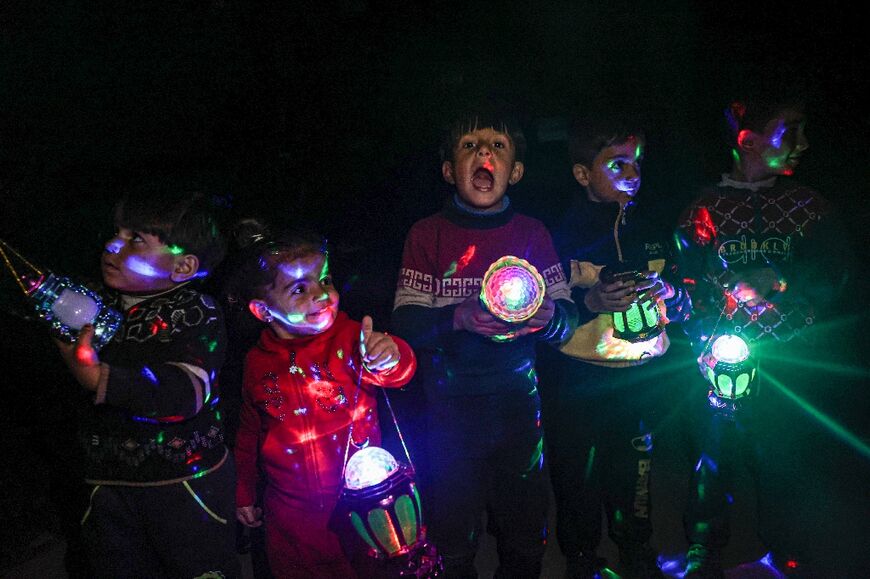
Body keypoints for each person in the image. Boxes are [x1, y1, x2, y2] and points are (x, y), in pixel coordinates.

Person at [391, 108, 578, 578]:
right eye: (470, 146)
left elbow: (567, 321)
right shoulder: (427, 234)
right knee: (452, 524)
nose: (484, 154)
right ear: (450, 170)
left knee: (524, 521)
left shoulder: (532, 233)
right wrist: (458, 317)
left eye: (497, 146)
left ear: (515, 172)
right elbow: (406, 322)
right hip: (449, 410)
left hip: (519, 407)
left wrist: (549, 318)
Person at [675, 86, 852, 577]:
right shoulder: (702, 209)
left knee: (785, 461)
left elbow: (837, 272)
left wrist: (779, 279)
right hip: (721, 362)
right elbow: (687, 281)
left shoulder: (810, 207)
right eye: (790, 131)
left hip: (792, 361)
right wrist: (702, 340)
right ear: (750, 140)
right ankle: (705, 550)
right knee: (711, 459)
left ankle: (789, 549)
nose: (803, 142)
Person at [54, 186, 240, 578]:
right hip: (106, 486)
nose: (111, 245)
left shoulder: (195, 312)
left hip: (185, 487)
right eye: (117, 233)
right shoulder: (95, 304)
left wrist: (101, 378)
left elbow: (185, 392)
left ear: (183, 267)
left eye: (135, 238)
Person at [538, 112, 691, 579]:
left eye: (637, 163)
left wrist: (673, 296)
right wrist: (589, 300)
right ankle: (581, 557)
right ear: (583, 174)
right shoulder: (560, 232)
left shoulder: (658, 228)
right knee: (577, 476)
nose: (632, 174)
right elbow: (542, 311)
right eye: (617, 164)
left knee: (636, 475)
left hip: (643, 379)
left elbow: (688, 302)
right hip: (580, 380)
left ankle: (636, 548)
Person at [224, 226, 417, 578]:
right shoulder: (255, 362)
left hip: (359, 508)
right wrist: (243, 491)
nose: (322, 295)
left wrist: (389, 355)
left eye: (325, 280)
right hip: (290, 517)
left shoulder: (352, 337)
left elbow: (398, 371)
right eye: (299, 289)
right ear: (263, 310)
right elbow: (250, 432)